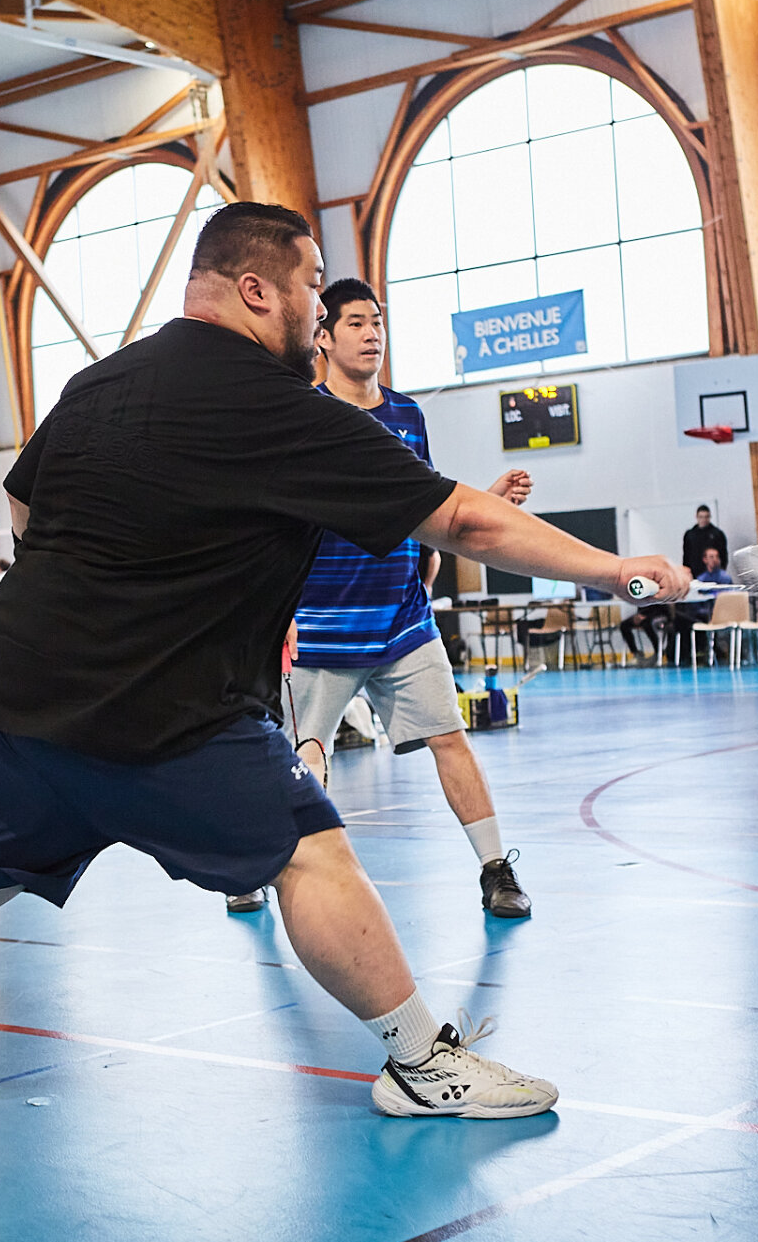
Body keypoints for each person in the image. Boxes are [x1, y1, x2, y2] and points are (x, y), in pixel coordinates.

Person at [0, 202, 693, 1119]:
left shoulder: (97, 383)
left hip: (13, 697)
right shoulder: (283, 410)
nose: (321, 311)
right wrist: (616, 570)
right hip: (159, 710)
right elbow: (467, 521)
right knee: (309, 851)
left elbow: (25, 502)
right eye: (311, 285)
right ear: (257, 290)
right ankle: (419, 1063)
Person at [225, 278, 535, 919]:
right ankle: (262, 866)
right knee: (302, 759)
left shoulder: (408, 417)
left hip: (403, 624)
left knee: (451, 739)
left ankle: (495, 870)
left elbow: (423, 506)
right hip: (322, 627)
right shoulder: (302, 414)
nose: (372, 335)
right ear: (323, 337)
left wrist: (481, 506)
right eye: (357, 323)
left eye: (378, 323)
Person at [682, 505, 727, 577]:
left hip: (712, 572)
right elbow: (686, 555)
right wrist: (686, 572)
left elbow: (723, 555)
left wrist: (722, 571)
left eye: (706, 517)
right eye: (701, 517)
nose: (703, 520)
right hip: (694, 572)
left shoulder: (717, 534)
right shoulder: (690, 535)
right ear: (697, 517)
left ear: (709, 517)